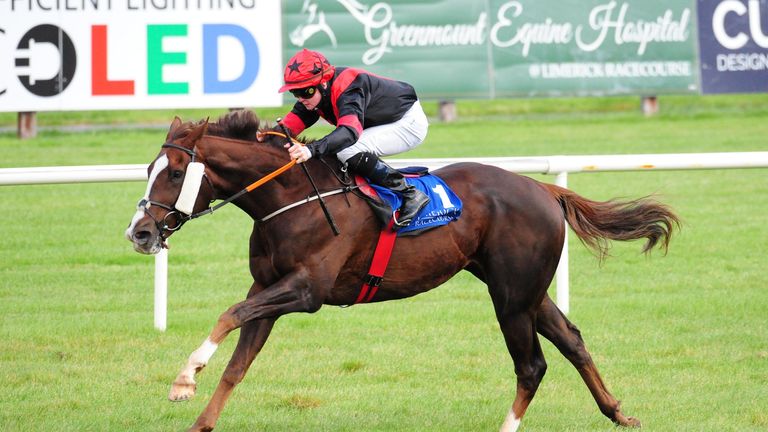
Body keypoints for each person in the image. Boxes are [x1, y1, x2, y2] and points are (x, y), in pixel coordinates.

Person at [278, 48, 430, 230]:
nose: (301, 98)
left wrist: (311, 149)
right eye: (295, 93)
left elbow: (349, 132)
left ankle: (410, 193)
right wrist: (265, 137)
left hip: (407, 123)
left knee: (346, 150)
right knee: (338, 150)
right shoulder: (315, 96)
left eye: (306, 91)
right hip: (382, 122)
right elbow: (287, 127)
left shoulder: (349, 87)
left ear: (323, 83)